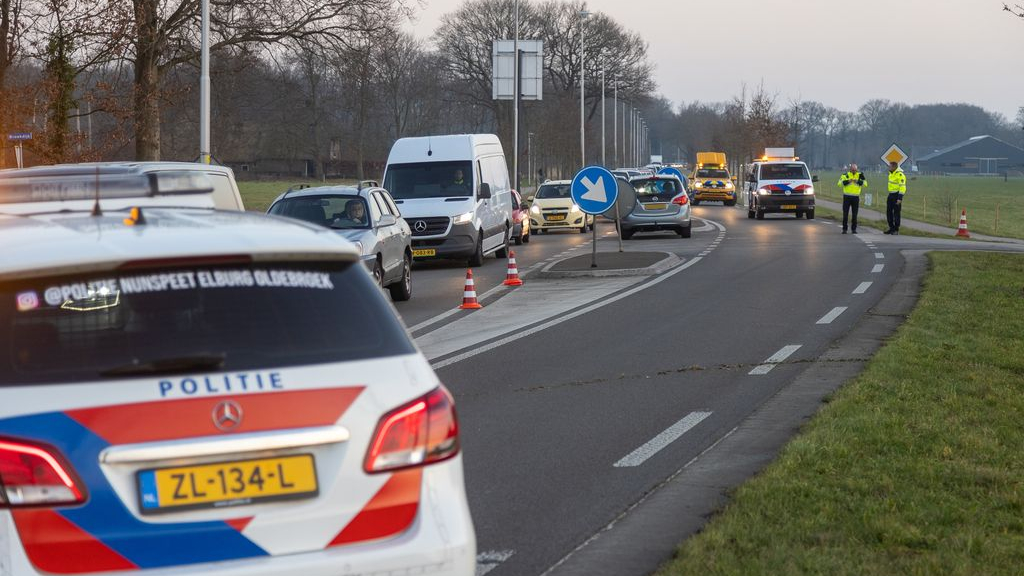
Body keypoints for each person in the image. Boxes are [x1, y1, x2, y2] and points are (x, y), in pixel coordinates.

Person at [837, 164, 867, 234]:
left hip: (856, 197)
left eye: (855, 170)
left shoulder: (860, 175)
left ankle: (854, 229)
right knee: (845, 214)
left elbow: (865, 184)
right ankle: (844, 229)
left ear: (857, 169)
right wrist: (848, 181)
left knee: (855, 215)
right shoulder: (845, 175)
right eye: (852, 170)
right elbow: (839, 184)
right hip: (847, 197)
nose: (854, 171)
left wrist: (858, 181)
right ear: (850, 169)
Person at [884, 161, 907, 235]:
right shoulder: (891, 174)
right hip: (891, 194)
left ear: (894, 167)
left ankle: (896, 229)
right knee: (888, 212)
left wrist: (900, 198)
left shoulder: (900, 175)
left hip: (896, 195)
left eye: (890, 166)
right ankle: (891, 228)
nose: (888, 168)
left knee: (896, 213)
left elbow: (902, 187)